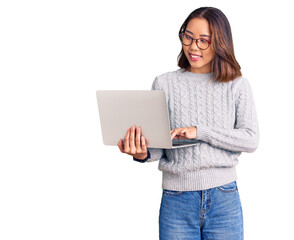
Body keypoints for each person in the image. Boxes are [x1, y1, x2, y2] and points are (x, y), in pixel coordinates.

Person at [117, 6, 259, 240]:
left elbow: (250, 139)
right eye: (188, 37)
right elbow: (159, 147)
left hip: (224, 198)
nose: (193, 46)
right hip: (176, 199)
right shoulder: (164, 83)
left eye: (204, 40)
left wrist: (200, 132)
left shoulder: (237, 84)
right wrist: (140, 153)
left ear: (220, 43)